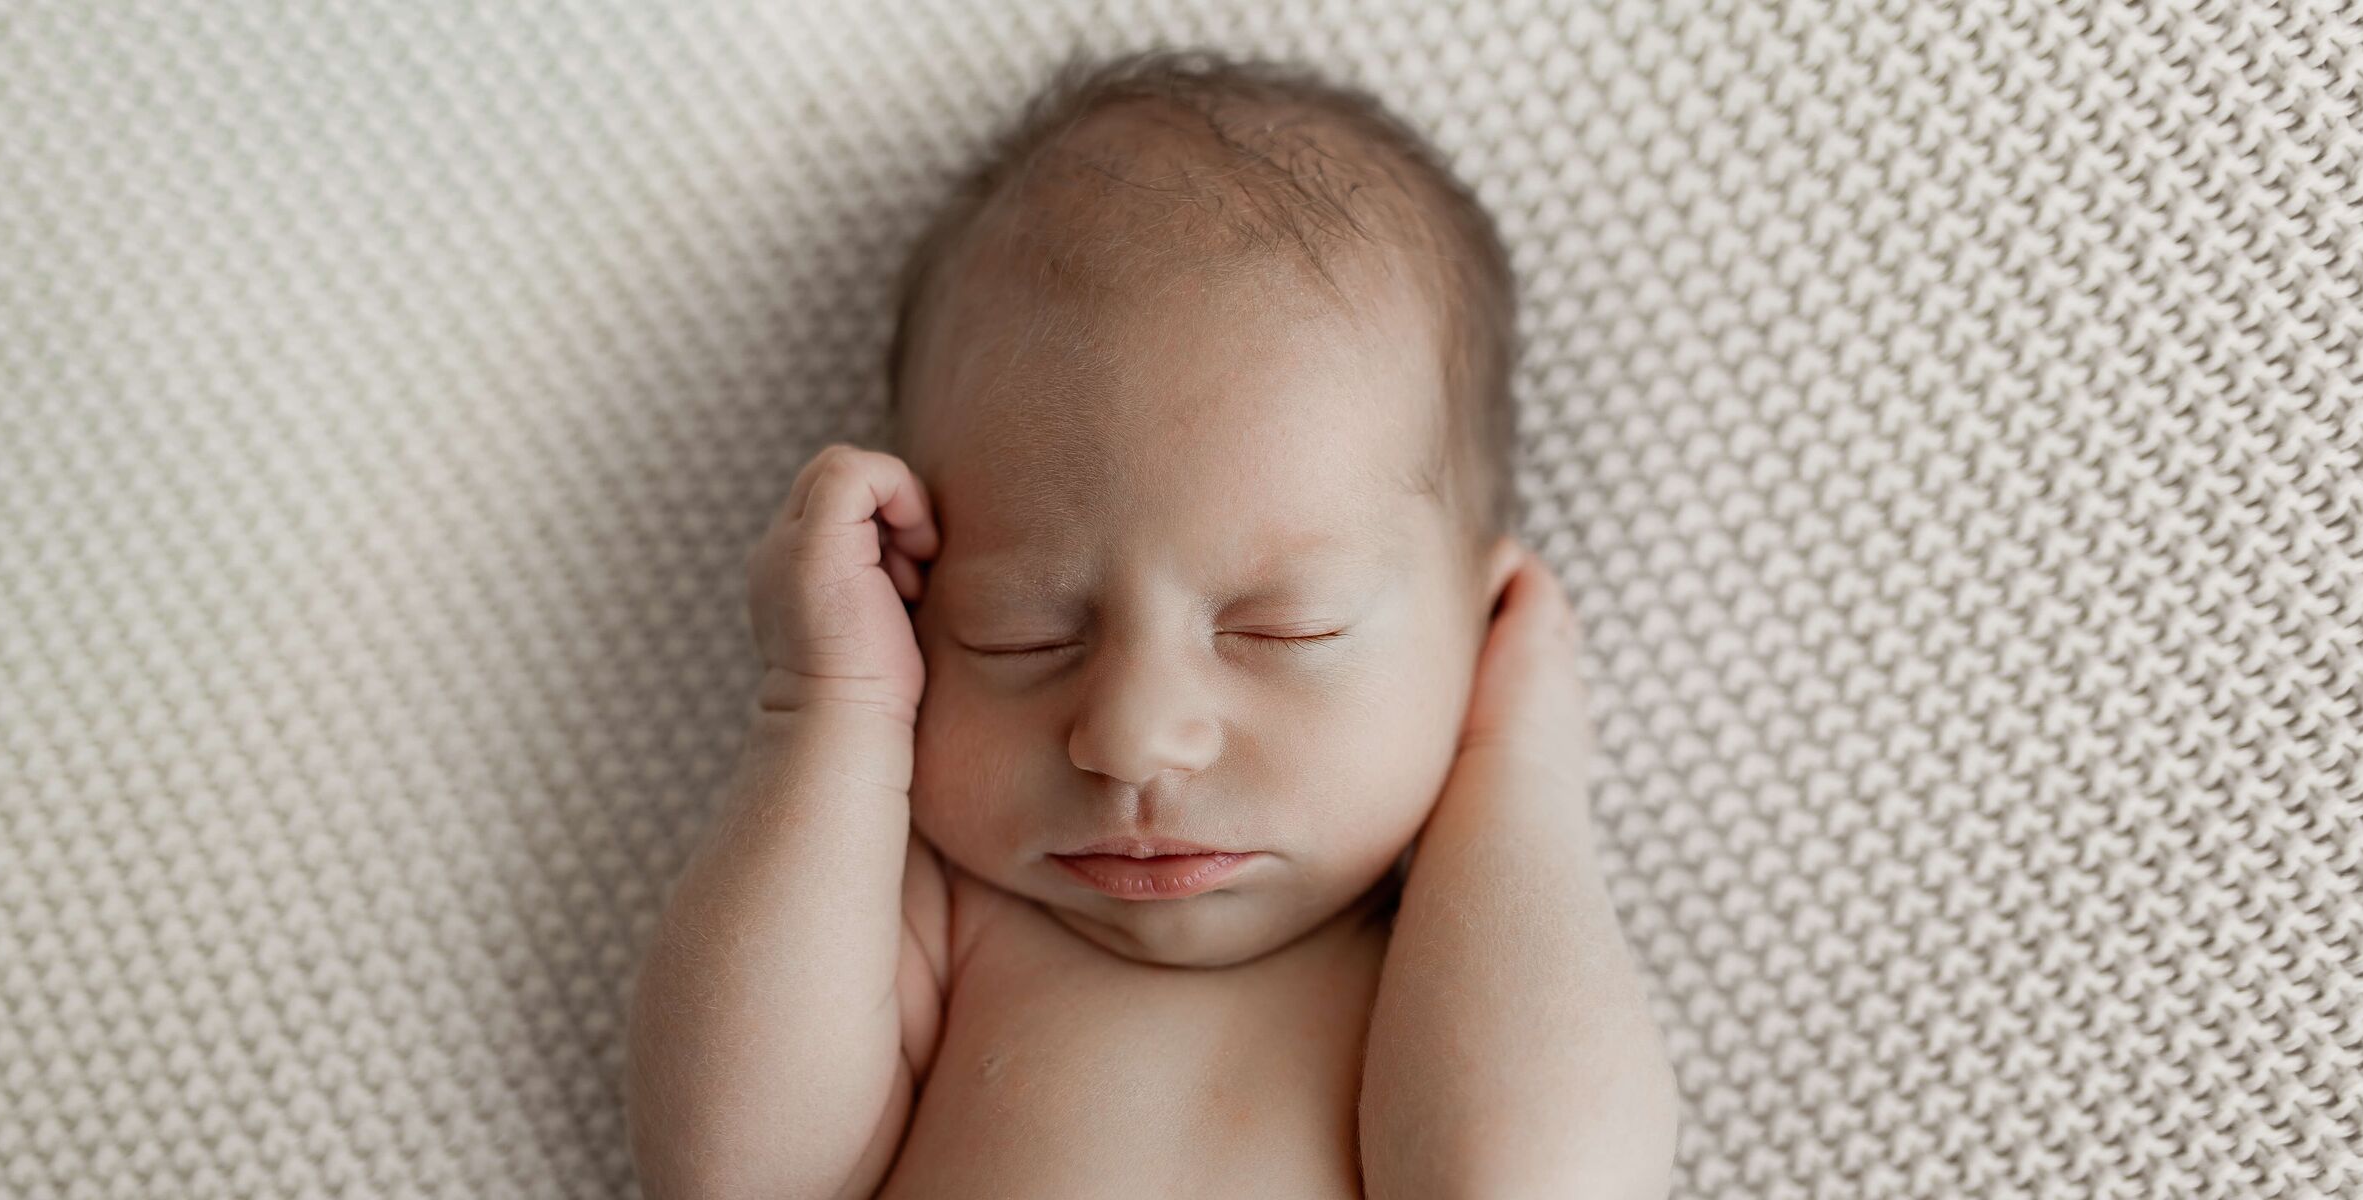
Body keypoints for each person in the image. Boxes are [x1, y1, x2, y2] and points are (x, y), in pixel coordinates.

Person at [626, 46, 1679, 1199]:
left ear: (1481, 634)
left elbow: (1531, 1180)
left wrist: (1514, 773)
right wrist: (827, 710)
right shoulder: (941, 913)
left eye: (1286, 630)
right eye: (1018, 632)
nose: (1128, 737)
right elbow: (732, 1175)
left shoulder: (1430, 957)